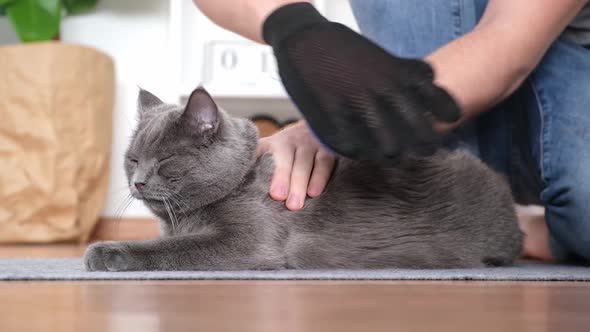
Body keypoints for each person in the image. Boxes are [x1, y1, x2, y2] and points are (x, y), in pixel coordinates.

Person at [192, 0, 590, 263]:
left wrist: (350, 120)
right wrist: (290, 24)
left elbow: (506, 43)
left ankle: (526, 225)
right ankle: (484, 219)